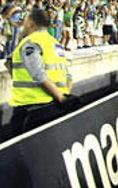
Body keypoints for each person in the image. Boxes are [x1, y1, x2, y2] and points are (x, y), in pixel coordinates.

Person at [7, 8, 74, 136]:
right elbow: (68, 76)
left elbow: (38, 74)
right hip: (54, 106)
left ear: (31, 23)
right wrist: (64, 96)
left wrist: (61, 98)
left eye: (25, 20)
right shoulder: (55, 43)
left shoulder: (30, 43)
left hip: (30, 108)